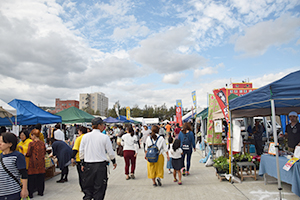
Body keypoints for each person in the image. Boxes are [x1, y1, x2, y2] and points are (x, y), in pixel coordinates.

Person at [79, 117, 117, 200]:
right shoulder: (104, 137)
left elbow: (81, 151)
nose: (103, 126)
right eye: (102, 124)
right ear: (99, 125)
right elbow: (110, 152)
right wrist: (113, 161)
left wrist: (82, 163)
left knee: (88, 189)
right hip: (100, 166)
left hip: (88, 165)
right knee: (99, 189)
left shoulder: (85, 137)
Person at [0, 132, 29, 200]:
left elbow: (24, 174)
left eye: (2, 142)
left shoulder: (18, 156)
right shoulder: (0, 156)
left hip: (13, 193)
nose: (0, 144)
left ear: (10, 144)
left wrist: (24, 189)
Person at [26, 129, 46, 198]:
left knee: (31, 179)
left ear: (33, 135)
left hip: (33, 163)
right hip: (41, 162)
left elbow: (29, 153)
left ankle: (30, 193)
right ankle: (41, 192)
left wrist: (25, 153)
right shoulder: (42, 143)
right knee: (40, 178)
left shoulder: (31, 144)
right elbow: (44, 152)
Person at [71, 126, 87, 191]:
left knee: (81, 175)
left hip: (79, 159)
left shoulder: (79, 138)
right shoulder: (88, 137)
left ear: (80, 131)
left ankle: (83, 188)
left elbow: (75, 149)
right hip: (89, 159)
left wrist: (72, 157)